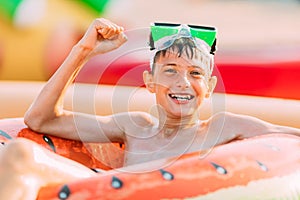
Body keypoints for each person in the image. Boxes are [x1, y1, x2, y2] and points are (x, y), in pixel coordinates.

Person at [1, 18, 300, 199]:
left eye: (195, 74)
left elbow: (289, 139)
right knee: (19, 154)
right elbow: (39, 119)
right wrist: (83, 51)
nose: (183, 82)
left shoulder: (225, 128)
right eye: (170, 71)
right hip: (102, 190)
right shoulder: (133, 126)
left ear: (208, 87)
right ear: (149, 82)